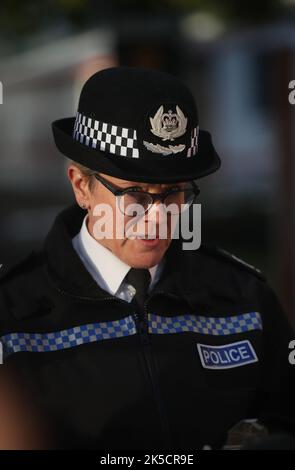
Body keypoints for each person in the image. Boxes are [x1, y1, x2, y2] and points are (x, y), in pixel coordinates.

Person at [0, 67, 294, 450]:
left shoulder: (244, 301)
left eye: (173, 193)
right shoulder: (12, 319)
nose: (158, 217)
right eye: (136, 193)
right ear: (80, 186)